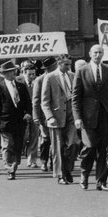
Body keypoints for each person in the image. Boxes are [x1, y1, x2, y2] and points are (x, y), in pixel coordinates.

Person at [72, 44, 108, 191]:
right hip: (87, 117)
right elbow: (76, 97)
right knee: (90, 147)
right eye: (95, 52)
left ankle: (101, 181)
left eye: (100, 52)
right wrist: (77, 117)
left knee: (104, 150)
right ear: (90, 54)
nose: (97, 55)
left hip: (105, 116)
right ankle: (84, 175)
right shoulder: (82, 71)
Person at [0, 61, 32, 181]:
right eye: (9, 72)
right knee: (7, 145)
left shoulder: (21, 86)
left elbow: (28, 103)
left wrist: (28, 113)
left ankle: (15, 164)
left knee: (18, 145)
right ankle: (9, 168)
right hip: (5, 122)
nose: (13, 73)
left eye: (13, 71)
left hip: (20, 122)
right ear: (4, 74)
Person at [42, 55, 77, 185]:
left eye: (70, 64)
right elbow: (44, 101)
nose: (69, 67)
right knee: (58, 146)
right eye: (66, 65)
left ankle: (67, 170)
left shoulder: (73, 76)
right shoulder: (50, 77)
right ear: (59, 64)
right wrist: (49, 116)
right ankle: (61, 175)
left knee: (72, 144)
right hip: (56, 117)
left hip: (71, 115)